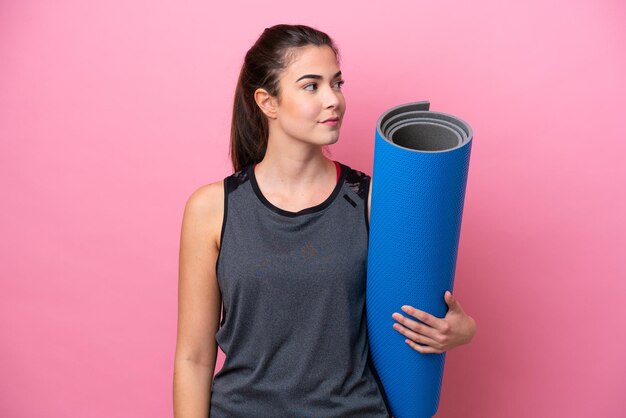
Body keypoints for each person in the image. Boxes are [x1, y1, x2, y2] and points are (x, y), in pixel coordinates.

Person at [173, 24, 476, 417]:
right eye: (311, 86)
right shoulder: (211, 209)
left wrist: (462, 330)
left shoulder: (375, 203)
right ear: (268, 102)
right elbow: (194, 358)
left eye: (337, 83)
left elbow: (423, 311)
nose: (334, 99)